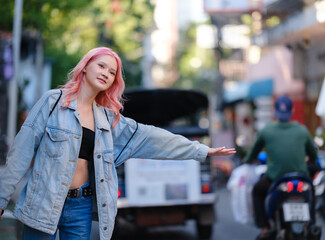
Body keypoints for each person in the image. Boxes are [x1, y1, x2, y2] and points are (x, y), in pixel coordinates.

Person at [0, 47, 235, 240]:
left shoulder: (109, 119)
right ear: (85, 67)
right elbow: (20, 153)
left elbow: (153, 137)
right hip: (43, 201)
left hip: (80, 207)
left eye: (112, 72)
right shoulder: (53, 102)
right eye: (101, 66)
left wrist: (202, 150)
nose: (105, 73)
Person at [244, 96, 318, 240]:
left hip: (275, 180)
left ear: (274, 111)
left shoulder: (267, 130)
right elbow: (313, 155)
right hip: (301, 178)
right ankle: (312, 224)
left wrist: (247, 160)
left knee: (257, 191)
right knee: (312, 190)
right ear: (292, 110)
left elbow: (252, 154)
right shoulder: (302, 130)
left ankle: (264, 227)